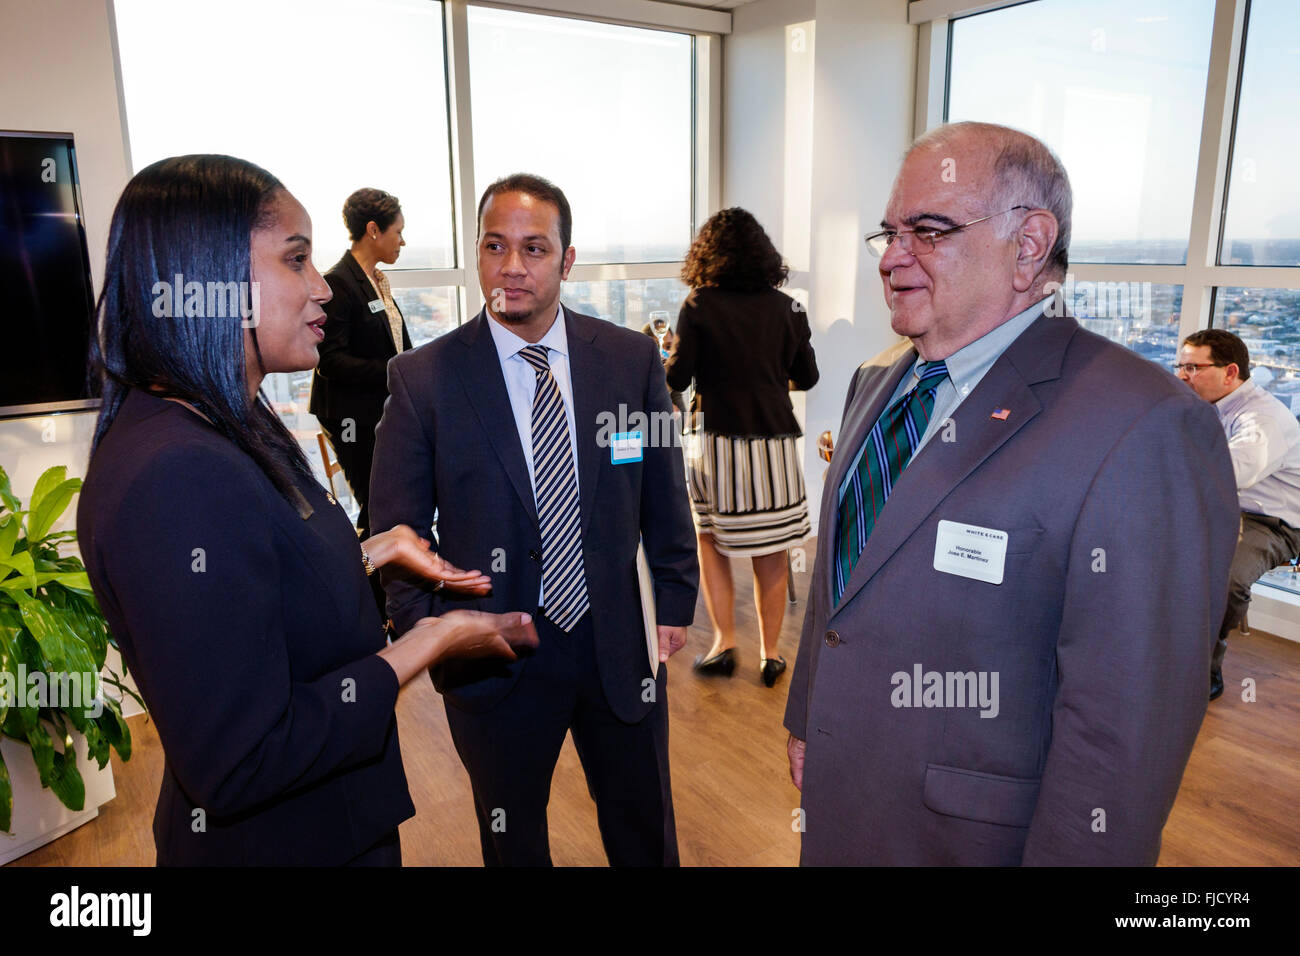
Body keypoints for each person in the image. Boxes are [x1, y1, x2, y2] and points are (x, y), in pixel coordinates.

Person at [782, 122, 1239, 865]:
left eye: (928, 231)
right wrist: (808, 719)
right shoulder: (878, 381)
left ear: (1029, 245)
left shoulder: (1144, 424)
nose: (894, 257)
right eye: (889, 233)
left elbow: (1123, 727)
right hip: (842, 802)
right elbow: (845, 588)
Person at [77, 155, 538, 866]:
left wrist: (372, 551)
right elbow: (244, 758)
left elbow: (251, 590)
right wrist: (431, 641)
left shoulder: (224, 422)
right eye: (296, 260)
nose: (322, 287)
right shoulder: (178, 472)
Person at [369, 173, 699, 866]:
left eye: (535, 248)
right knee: (512, 841)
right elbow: (396, 531)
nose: (512, 267)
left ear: (567, 261)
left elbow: (661, 490)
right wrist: (437, 633)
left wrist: (673, 599)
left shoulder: (629, 360)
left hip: (618, 642)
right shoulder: (423, 378)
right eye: (495, 246)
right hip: (495, 655)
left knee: (643, 827)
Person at [665, 208, 819, 686]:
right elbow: (808, 376)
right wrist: (768, 378)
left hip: (715, 444)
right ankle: (771, 655)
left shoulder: (698, 306)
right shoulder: (788, 307)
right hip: (773, 446)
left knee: (711, 544)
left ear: (707, 254)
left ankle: (723, 643)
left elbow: (678, 377)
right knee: (770, 552)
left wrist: (673, 349)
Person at [1176, 328, 1300, 701]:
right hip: (1217, 505)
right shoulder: (1206, 404)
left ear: (1230, 372)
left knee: (1225, 577)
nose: (1183, 375)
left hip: (1271, 521)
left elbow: (1231, 472)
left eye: (1194, 367)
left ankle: (1204, 671)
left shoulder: (1262, 418)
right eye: (1180, 366)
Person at [309, 188, 412, 547]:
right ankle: (367, 588)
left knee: (389, 502)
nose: (403, 240)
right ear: (373, 230)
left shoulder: (376, 282)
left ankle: (383, 588)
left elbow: (397, 345)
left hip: (377, 412)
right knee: (376, 507)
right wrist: (395, 370)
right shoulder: (339, 282)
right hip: (350, 416)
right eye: (397, 231)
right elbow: (329, 362)